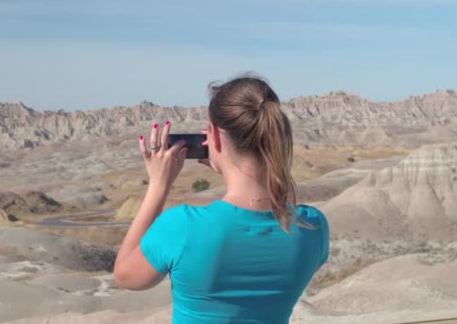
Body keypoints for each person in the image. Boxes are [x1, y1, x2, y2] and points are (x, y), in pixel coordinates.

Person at [114, 76, 329, 323]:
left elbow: (126, 276)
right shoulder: (313, 227)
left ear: (213, 136)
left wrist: (159, 185)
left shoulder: (183, 227)